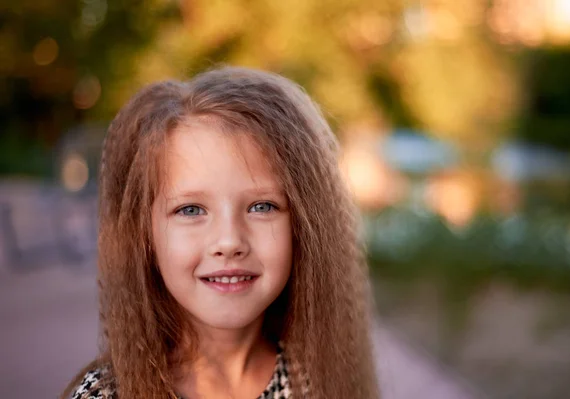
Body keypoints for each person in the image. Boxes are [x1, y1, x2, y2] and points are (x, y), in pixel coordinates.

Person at [62, 66, 378, 399]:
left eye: (262, 206)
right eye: (191, 210)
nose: (229, 242)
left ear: (304, 225)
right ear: (145, 236)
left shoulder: (320, 382)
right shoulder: (107, 396)